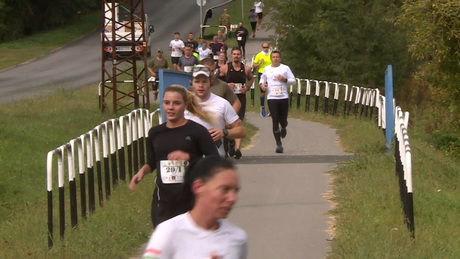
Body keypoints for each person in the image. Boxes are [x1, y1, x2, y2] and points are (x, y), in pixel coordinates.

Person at [129, 85, 219, 228]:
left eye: (176, 103)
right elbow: (152, 162)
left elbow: (216, 163)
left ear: (185, 105)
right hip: (163, 203)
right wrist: (142, 171)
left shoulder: (198, 132)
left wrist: (190, 157)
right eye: (167, 103)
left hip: (191, 202)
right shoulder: (155, 133)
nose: (170, 107)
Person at [142, 155, 247, 259]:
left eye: (235, 191)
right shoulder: (168, 232)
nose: (232, 198)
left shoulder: (238, 238)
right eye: (224, 190)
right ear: (198, 187)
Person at [186, 65, 246, 157]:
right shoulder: (184, 104)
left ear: (211, 82)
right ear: (191, 83)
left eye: (205, 82)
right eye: (197, 82)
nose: (201, 85)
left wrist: (224, 133)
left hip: (215, 160)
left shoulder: (222, 103)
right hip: (191, 160)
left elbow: (241, 131)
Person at [220, 47, 254, 159]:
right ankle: (230, 143)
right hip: (228, 99)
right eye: (234, 54)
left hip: (240, 98)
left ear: (241, 56)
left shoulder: (246, 69)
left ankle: (238, 149)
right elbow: (216, 80)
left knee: (238, 122)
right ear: (231, 56)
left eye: (238, 54)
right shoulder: (225, 68)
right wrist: (226, 85)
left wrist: (247, 88)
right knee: (228, 124)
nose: (236, 56)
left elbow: (251, 79)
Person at [259, 50, 295, 153]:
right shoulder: (266, 69)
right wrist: (262, 85)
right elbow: (262, 79)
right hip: (272, 98)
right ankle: (279, 144)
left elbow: (293, 81)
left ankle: (284, 126)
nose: (275, 59)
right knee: (275, 119)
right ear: (270, 59)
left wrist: (284, 79)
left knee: (283, 119)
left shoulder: (285, 68)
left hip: (283, 97)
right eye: (273, 57)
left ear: (280, 58)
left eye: (277, 57)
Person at [253, 42, 272, 117]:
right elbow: (253, 65)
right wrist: (259, 63)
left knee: (270, 91)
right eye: (264, 47)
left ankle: (270, 109)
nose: (266, 49)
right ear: (262, 48)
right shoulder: (259, 55)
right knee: (263, 92)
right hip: (262, 74)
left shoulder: (271, 55)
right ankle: (262, 107)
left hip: (270, 74)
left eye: (267, 47)